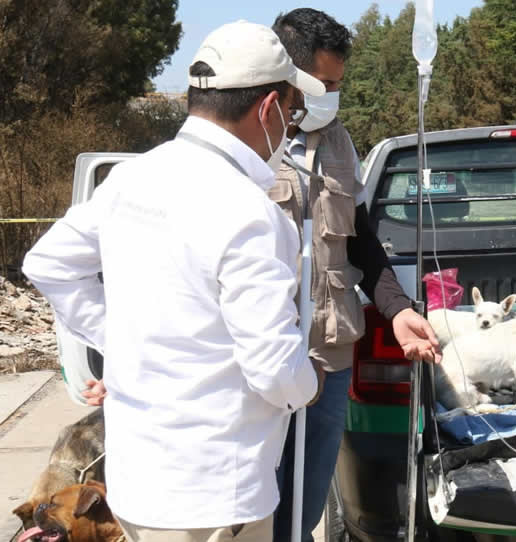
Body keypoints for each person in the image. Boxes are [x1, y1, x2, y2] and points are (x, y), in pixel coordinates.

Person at [23, 21, 328, 542]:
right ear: (268, 109)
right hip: (213, 496)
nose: (292, 128)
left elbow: (48, 263)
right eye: (294, 112)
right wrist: (309, 384)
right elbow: (274, 367)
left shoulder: (132, 178)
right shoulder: (250, 211)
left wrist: (118, 341)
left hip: (137, 486)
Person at [268, 9, 441, 541]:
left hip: (329, 356)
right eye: (326, 83)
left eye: (340, 83)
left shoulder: (340, 141)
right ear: (289, 78)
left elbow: (360, 240)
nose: (334, 95)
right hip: (262, 360)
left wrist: (400, 310)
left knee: (306, 507)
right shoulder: (249, 144)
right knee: (254, 510)